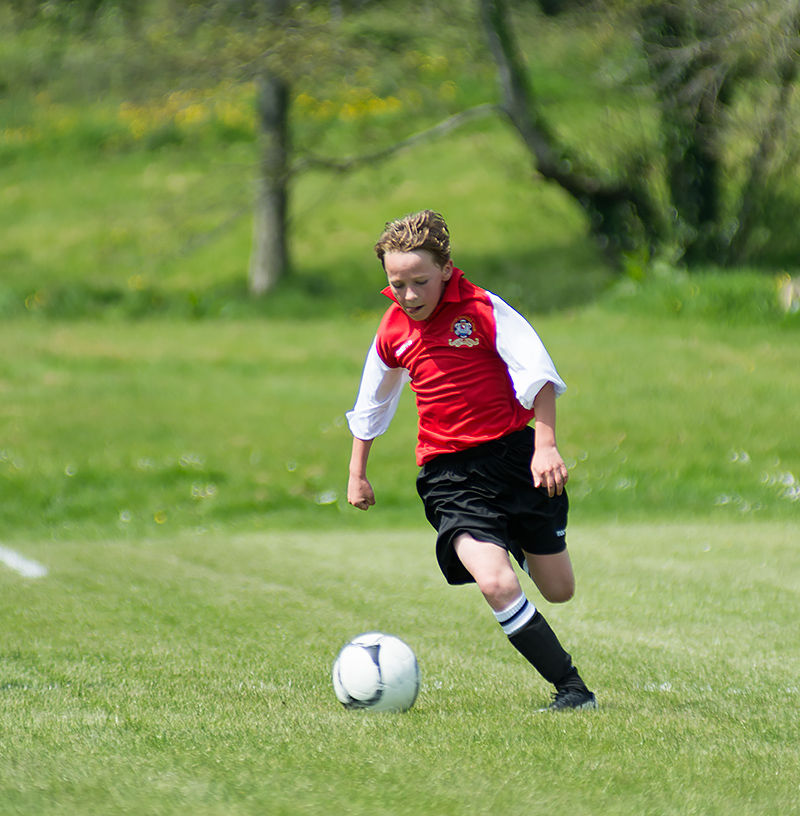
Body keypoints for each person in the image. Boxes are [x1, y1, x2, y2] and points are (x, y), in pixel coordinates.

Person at [346, 210, 596, 711]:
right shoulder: (393, 328)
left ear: (445, 269)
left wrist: (545, 445)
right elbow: (373, 400)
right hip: (449, 475)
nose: (410, 295)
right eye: (397, 283)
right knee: (496, 583)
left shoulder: (483, 309)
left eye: (420, 281)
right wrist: (358, 472)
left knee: (559, 589)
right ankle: (572, 690)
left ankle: (517, 539)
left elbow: (539, 376)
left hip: (515, 461)